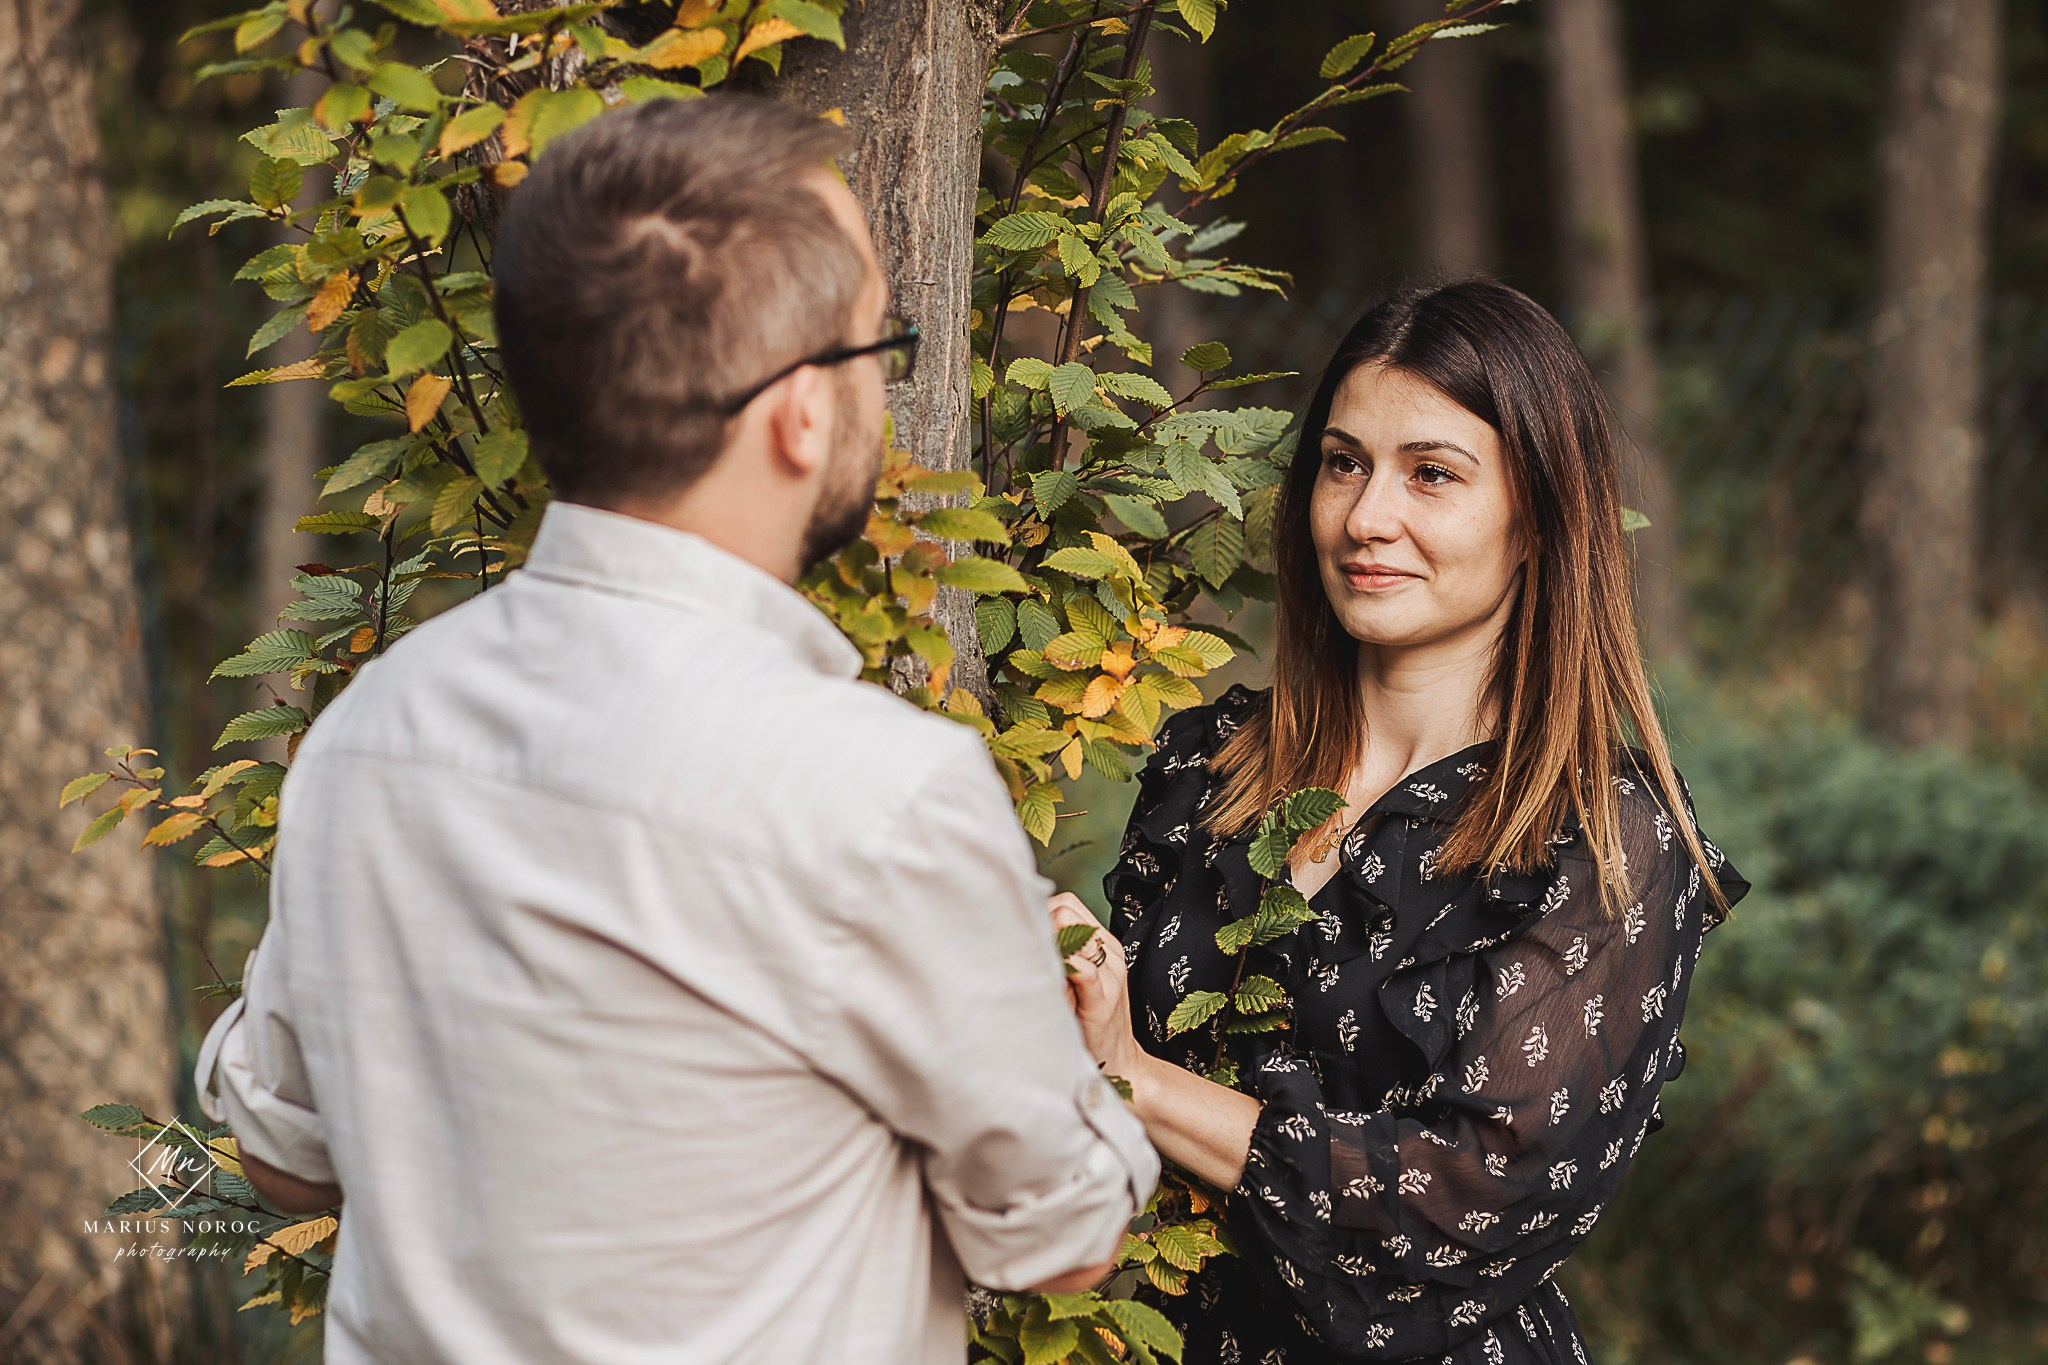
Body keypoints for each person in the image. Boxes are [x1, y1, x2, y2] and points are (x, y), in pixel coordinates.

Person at [194, 95, 1157, 1365]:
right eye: (881, 344)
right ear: (799, 412)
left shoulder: (368, 736)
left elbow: (282, 1159)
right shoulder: (879, 793)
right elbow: (1063, 1239)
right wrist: (1057, 1045)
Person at [1049, 280, 1750, 1364]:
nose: (1367, 516)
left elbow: (1470, 1201)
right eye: (1343, 463)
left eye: (1431, 474)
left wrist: (1131, 1076)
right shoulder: (1206, 767)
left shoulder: (1599, 840)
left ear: (1536, 521)